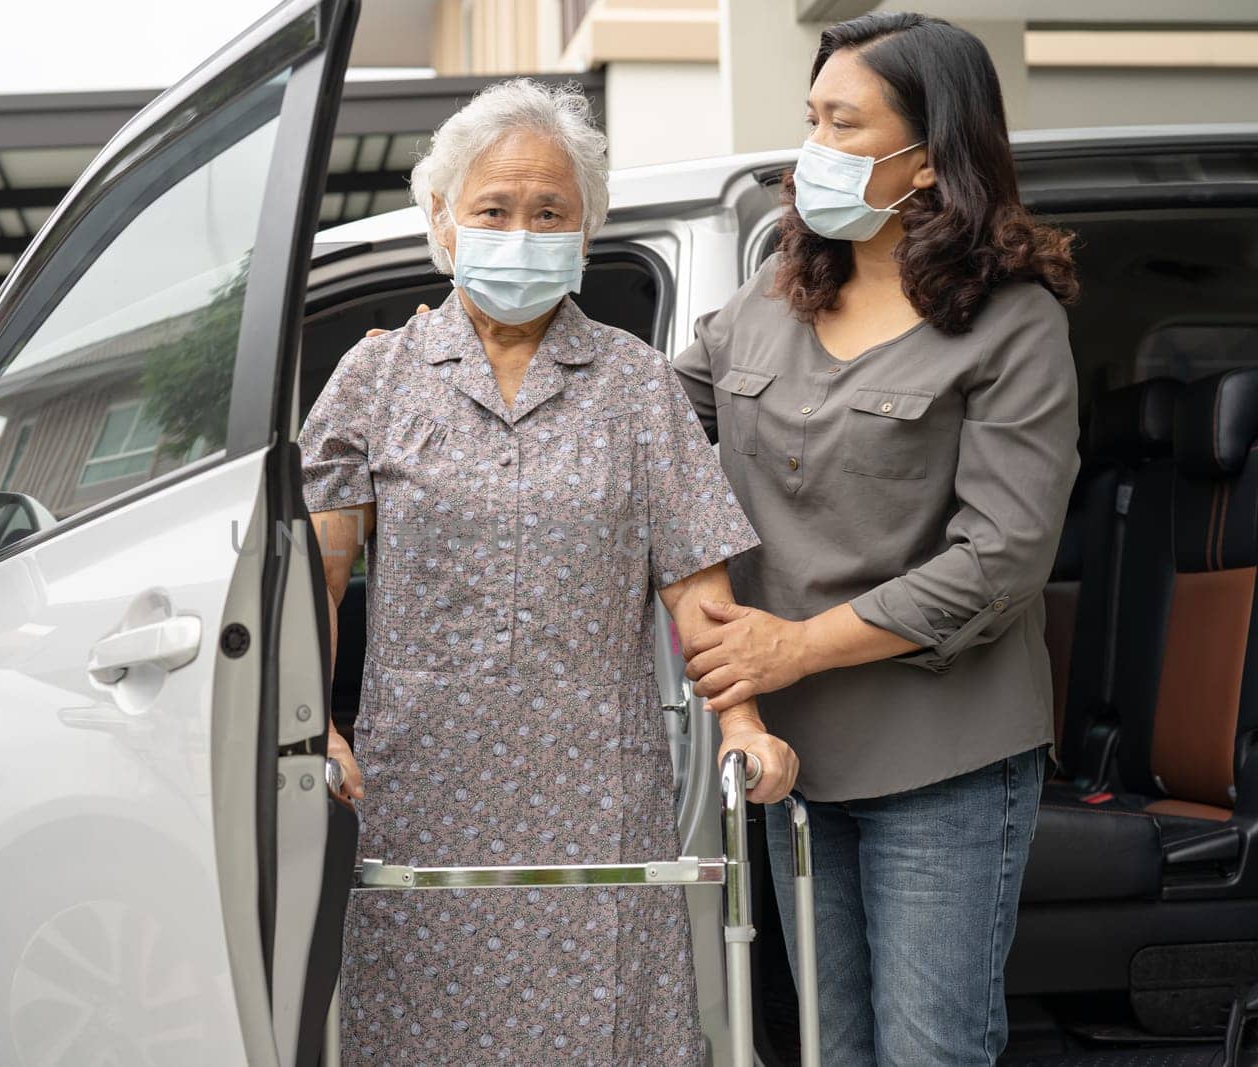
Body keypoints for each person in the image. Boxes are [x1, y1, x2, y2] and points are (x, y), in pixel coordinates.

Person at [300, 78, 797, 1065]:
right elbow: (312, 572)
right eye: (493, 209)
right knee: (423, 1030)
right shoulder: (375, 375)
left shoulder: (635, 382)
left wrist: (744, 723)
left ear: (584, 231)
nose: (519, 231)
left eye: (548, 212)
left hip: (594, 790)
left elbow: (696, 587)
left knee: (601, 1031)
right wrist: (317, 720)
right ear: (441, 219)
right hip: (420, 790)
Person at [671, 13, 1081, 1065]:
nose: (811, 146)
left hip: (943, 760)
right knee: (827, 1045)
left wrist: (796, 645)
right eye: (810, 117)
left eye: (842, 123)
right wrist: (465, 339)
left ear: (931, 160)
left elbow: (1000, 559)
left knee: (928, 1050)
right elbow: (639, 429)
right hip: (794, 761)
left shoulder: (1012, 323)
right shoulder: (769, 302)